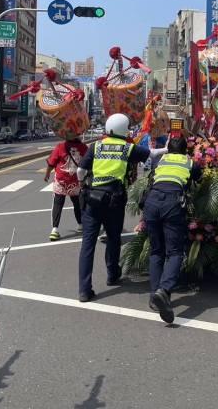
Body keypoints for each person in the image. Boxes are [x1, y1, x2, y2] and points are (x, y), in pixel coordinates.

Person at [76, 113, 150, 302]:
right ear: (124, 130)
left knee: (88, 243)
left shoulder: (96, 146)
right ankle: (112, 274)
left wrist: (84, 182)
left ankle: (84, 290)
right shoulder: (128, 148)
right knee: (113, 238)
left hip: (93, 198)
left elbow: (80, 171)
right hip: (114, 200)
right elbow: (150, 154)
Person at [143, 136, 202, 324]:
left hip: (152, 202)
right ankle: (164, 289)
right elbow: (199, 179)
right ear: (186, 150)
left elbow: (152, 178)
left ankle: (154, 295)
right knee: (175, 252)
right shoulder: (189, 162)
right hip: (172, 202)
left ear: (169, 150)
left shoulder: (161, 160)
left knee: (156, 250)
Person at [44, 136, 88, 241]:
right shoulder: (83, 147)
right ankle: (80, 225)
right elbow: (88, 163)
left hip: (61, 181)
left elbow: (51, 163)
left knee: (58, 204)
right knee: (78, 204)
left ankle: (55, 230)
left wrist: (47, 174)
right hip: (76, 181)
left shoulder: (60, 146)